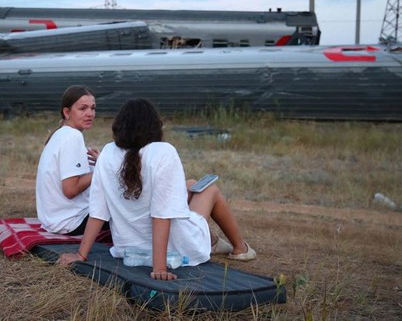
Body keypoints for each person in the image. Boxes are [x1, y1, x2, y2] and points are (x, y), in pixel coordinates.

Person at [58, 98, 256, 280]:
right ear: (155, 126)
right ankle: (240, 248)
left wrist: (80, 254)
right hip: (177, 250)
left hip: (129, 249)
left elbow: (98, 211)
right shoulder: (163, 152)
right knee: (209, 189)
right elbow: (162, 214)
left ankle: (214, 242)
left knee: (191, 184)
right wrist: (159, 268)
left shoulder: (108, 152)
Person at [35, 85, 101, 235]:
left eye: (93, 108)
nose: (90, 114)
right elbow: (70, 190)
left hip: (53, 220)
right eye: (83, 108)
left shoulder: (61, 134)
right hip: (71, 222)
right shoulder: (73, 137)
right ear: (67, 112)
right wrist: (103, 167)